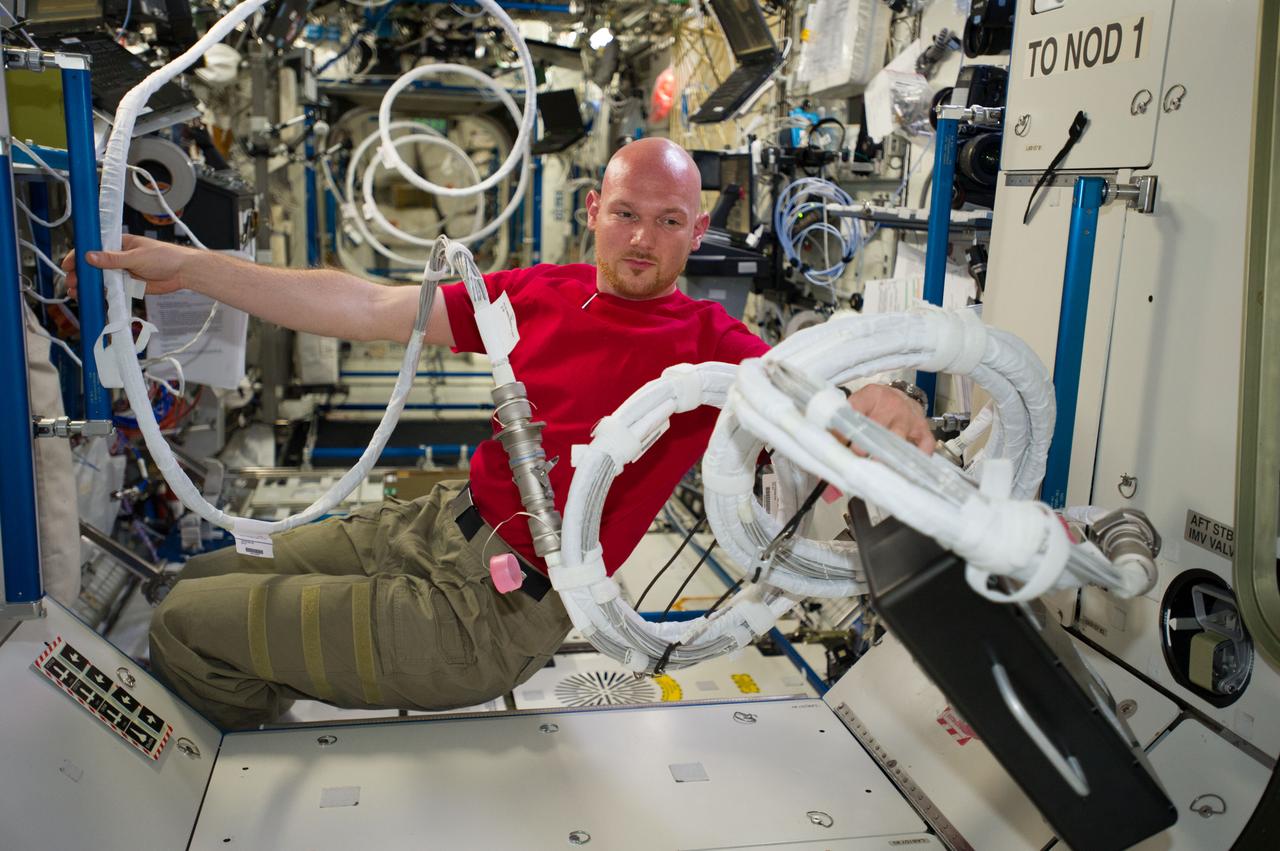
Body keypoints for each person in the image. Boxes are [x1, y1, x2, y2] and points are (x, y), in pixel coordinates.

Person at [64, 138, 933, 729]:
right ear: (594, 208)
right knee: (201, 575)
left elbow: (803, 392)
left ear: (698, 233)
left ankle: (229, 763)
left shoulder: (714, 352)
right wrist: (195, 269)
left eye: (671, 222)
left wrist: (875, 398)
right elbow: (367, 304)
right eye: (629, 212)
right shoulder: (541, 293)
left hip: (486, 614)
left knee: (185, 625)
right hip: (435, 528)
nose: (644, 238)